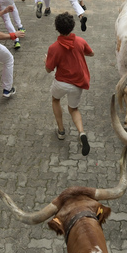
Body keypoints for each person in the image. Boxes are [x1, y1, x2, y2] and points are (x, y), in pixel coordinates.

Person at [46, 12, 95, 155]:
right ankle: (82, 133)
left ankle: (61, 131)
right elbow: (91, 53)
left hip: (61, 82)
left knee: (55, 100)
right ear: (73, 26)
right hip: (77, 84)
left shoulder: (53, 48)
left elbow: (49, 69)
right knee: (74, 109)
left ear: (57, 28)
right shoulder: (80, 41)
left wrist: (45, 61)